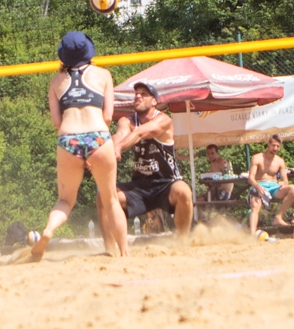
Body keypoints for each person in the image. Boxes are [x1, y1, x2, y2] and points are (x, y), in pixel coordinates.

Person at [29, 32, 128, 261]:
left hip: (69, 139)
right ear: (88, 52)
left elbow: (56, 122)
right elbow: (108, 116)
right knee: (111, 199)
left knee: (65, 201)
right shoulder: (103, 75)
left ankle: (48, 231)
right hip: (98, 136)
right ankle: (123, 252)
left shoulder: (56, 81)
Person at [112, 82, 195, 238]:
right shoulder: (126, 121)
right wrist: (102, 151)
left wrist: (118, 148)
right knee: (108, 196)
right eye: (136, 93)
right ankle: (115, 245)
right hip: (140, 185)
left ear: (154, 101)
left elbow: (141, 133)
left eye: (144, 94)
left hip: (166, 183)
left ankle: (183, 240)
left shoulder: (164, 120)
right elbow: (120, 136)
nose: (138, 96)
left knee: (184, 191)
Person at [247, 134, 294, 235]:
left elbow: (285, 179)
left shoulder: (280, 161)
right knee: (255, 205)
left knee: (293, 189)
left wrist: (283, 183)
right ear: (268, 144)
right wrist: (257, 186)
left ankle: (278, 217)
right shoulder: (257, 158)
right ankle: (252, 234)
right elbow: (250, 178)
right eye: (273, 145)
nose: (275, 148)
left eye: (278, 146)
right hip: (260, 185)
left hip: (274, 187)